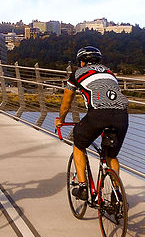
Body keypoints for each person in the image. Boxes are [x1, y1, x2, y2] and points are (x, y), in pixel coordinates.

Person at [55, 46, 129, 200]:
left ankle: (82, 187)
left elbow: (66, 103)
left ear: (81, 62)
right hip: (122, 116)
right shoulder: (109, 73)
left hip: (98, 115)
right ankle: (117, 194)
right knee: (111, 155)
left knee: (79, 144)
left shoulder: (76, 74)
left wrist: (60, 120)